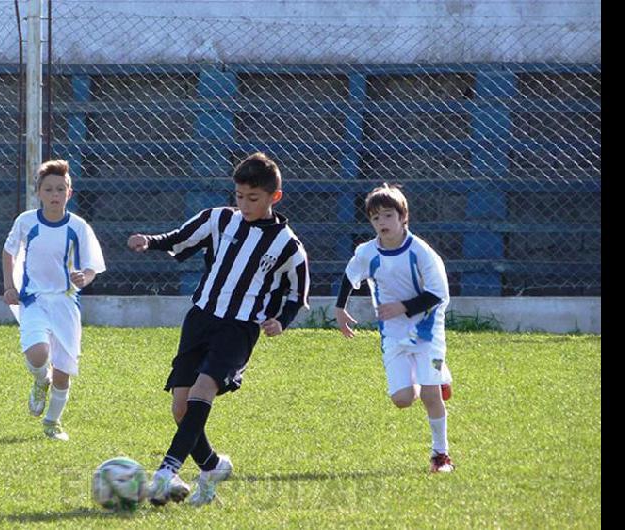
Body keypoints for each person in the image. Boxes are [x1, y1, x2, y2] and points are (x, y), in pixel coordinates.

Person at [127, 152, 310, 506]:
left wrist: (281, 321)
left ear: (275, 197)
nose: (244, 204)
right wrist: (149, 241)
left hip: (239, 329)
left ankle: (167, 470)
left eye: (253, 198)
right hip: (200, 319)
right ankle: (211, 465)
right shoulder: (218, 219)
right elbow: (179, 237)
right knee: (181, 407)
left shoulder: (288, 245)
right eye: (239, 196)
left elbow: (297, 292)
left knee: (204, 387)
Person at [334, 183, 455, 473]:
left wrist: (403, 306)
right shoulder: (367, 252)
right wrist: (340, 309)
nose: (381, 223)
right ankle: (434, 376)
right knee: (402, 400)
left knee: (429, 395)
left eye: (388, 216)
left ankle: (441, 456)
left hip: (428, 332)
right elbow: (350, 276)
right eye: (375, 218)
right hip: (394, 334)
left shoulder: (421, 252)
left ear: (403, 218)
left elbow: (438, 293)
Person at [2, 159, 106, 441]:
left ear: (69, 193)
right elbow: (9, 251)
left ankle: (52, 422)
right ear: (39, 193)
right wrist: (9, 285)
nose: (55, 195)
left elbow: (92, 265)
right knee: (37, 354)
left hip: (65, 304)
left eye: (60, 189)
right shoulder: (26, 222)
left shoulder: (78, 226)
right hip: (34, 299)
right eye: (49, 189)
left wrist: (85, 276)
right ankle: (39, 380)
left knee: (63, 372)